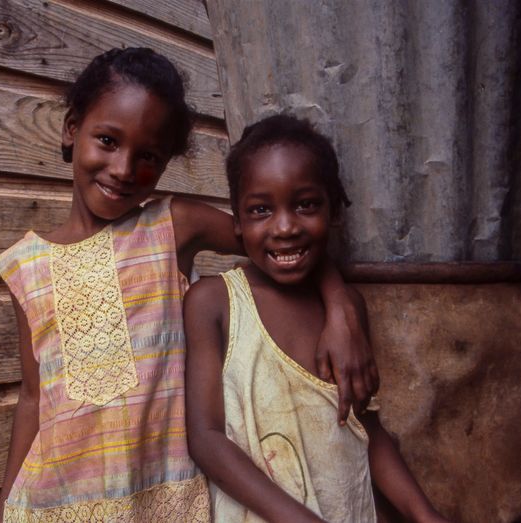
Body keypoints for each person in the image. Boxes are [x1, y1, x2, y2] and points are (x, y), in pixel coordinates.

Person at [0, 49, 377, 522]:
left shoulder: (173, 225)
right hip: (57, 503)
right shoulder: (25, 265)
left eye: (148, 156)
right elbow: (33, 397)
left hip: (162, 496)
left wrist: (341, 308)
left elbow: (281, 244)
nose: (123, 168)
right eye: (108, 140)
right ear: (73, 129)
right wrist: (5, 503)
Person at [185, 115, 451, 523]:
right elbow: (206, 439)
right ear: (237, 221)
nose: (285, 227)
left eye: (306, 204)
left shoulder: (345, 315)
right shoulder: (214, 302)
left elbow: (364, 427)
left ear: (334, 210)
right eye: (260, 210)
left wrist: (424, 513)